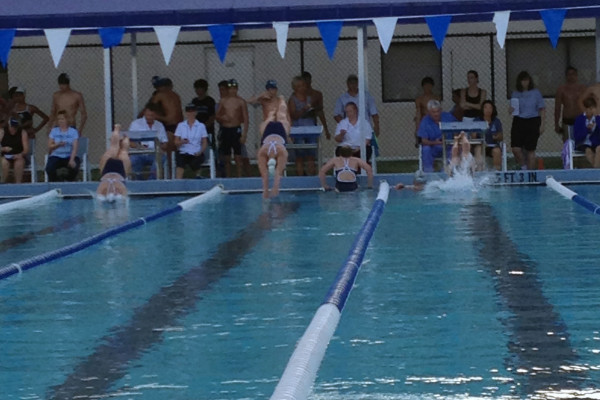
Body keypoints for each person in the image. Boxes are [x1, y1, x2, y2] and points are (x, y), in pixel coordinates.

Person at [333, 74, 379, 162]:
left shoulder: (366, 96)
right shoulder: (342, 98)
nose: (352, 85)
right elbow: (336, 114)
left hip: (365, 127)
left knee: (369, 150)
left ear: (358, 83)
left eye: (354, 83)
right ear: (347, 84)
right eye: (350, 83)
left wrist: (376, 126)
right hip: (348, 137)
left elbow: (374, 112)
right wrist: (346, 125)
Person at [509, 71, 545, 170]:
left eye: (526, 80)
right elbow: (513, 110)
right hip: (519, 120)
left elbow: (542, 109)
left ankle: (531, 172)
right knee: (516, 148)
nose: (524, 83)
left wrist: (542, 124)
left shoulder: (536, 93)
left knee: (530, 149)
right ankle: (524, 167)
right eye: (522, 80)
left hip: (533, 120)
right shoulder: (516, 93)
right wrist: (511, 110)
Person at [215, 79, 249, 177]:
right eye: (230, 89)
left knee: (238, 156)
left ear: (237, 89)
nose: (232, 91)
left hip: (236, 130)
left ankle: (239, 177)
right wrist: (223, 118)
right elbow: (217, 116)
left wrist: (244, 135)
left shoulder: (241, 102)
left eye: (234, 89)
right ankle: (228, 177)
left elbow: (246, 119)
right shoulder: (223, 101)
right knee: (227, 157)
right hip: (226, 130)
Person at [127, 103, 169, 179]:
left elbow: (165, 143)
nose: (149, 117)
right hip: (139, 153)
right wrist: (138, 146)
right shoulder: (136, 124)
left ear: (156, 115)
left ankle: (152, 182)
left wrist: (160, 147)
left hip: (154, 153)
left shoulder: (159, 125)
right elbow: (130, 142)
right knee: (134, 160)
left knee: (161, 158)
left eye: (151, 115)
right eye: (147, 115)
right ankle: (138, 183)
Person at [288, 76, 318, 176]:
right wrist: (303, 110)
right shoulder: (292, 100)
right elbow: (293, 115)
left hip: (310, 128)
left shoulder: (309, 99)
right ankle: (300, 176)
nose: (303, 88)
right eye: (300, 86)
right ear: (295, 87)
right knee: (299, 155)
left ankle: (312, 175)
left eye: (304, 86)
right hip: (298, 129)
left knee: (311, 154)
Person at [418, 99, 456, 172]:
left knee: (455, 149)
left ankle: (445, 172)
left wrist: (453, 141)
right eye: (433, 112)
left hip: (448, 146)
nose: (436, 114)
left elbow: (457, 131)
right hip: (433, 147)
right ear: (429, 112)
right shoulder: (425, 121)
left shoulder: (449, 117)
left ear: (441, 110)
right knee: (426, 149)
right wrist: (435, 142)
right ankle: (428, 173)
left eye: (438, 111)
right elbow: (424, 141)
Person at [174, 103, 208, 179]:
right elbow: (176, 142)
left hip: (196, 151)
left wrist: (200, 151)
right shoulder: (181, 125)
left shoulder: (201, 126)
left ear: (196, 112)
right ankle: (178, 182)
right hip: (183, 151)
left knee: (196, 162)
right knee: (180, 162)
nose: (190, 113)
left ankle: (198, 178)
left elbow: (204, 142)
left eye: (192, 111)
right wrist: (182, 142)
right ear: (186, 113)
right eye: (188, 111)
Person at [97, 124, 131, 201]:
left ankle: (117, 128)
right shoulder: (124, 158)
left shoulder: (106, 158)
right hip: (118, 178)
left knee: (114, 147)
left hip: (106, 178)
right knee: (124, 150)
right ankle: (125, 136)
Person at [45, 110, 80, 181]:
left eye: (62, 119)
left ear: (67, 120)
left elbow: (75, 147)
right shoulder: (54, 131)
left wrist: (72, 159)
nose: (60, 121)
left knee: (75, 166)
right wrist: (58, 145)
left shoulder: (73, 132)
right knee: (49, 168)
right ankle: (56, 181)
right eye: (59, 119)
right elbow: (50, 146)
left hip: (68, 155)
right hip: (56, 155)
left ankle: (69, 180)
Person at [555, 66, 586, 142]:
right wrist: (556, 124)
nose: (571, 76)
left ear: (577, 76)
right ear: (566, 76)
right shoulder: (561, 89)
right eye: (569, 74)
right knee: (568, 144)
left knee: (582, 143)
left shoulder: (583, 88)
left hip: (580, 119)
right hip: (567, 120)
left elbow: (589, 105)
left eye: (573, 74)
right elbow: (557, 108)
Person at [301, 71, 331, 140]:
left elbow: (320, 112)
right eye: (304, 80)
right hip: (300, 123)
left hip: (312, 123)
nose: (306, 82)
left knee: (312, 144)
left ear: (311, 80)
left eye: (307, 80)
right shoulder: (297, 96)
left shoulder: (317, 94)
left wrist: (326, 130)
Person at [476, 100, 503, 170]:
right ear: (482, 109)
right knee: (478, 149)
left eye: (490, 108)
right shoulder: (477, 121)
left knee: (497, 151)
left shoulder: (496, 121)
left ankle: (497, 173)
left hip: (492, 146)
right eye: (486, 108)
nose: (488, 110)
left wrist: (497, 137)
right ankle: (479, 171)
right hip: (481, 145)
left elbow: (501, 136)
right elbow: (473, 136)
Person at [573, 96, 600, 168]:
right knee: (588, 151)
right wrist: (587, 130)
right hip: (583, 143)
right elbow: (577, 136)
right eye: (590, 108)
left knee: (599, 149)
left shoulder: (598, 119)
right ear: (586, 109)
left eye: (593, 108)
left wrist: (596, 127)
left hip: (596, 143)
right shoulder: (580, 119)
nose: (593, 110)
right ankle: (596, 171)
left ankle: (595, 170)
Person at [0, 118, 29, 183]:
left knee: (19, 162)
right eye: (12, 127)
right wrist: (3, 149)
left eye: (15, 127)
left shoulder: (22, 132)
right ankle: (3, 182)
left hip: (18, 154)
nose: (14, 129)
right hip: (5, 155)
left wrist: (20, 154)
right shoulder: (2, 132)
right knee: (5, 163)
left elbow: (26, 150)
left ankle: (18, 183)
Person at [190, 78, 216, 149]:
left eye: (199, 88)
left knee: (209, 147)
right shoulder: (194, 101)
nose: (197, 90)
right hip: (196, 129)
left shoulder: (210, 101)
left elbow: (212, 116)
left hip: (207, 129)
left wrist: (203, 127)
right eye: (196, 88)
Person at [415, 77, 440, 147]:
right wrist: (417, 127)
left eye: (429, 86)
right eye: (425, 86)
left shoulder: (436, 98)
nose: (427, 88)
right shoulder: (419, 99)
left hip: (435, 121)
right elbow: (418, 113)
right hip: (425, 121)